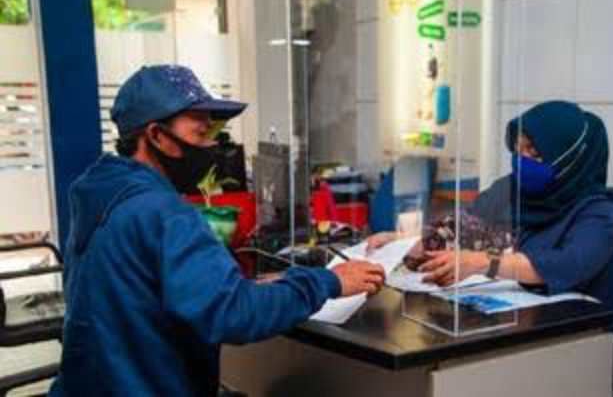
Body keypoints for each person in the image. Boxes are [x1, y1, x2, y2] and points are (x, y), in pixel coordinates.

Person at [49, 65, 385, 397]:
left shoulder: (102, 193)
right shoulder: (165, 213)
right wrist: (329, 282)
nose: (211, 145)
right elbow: (234, 314)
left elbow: (144, 291)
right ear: (155, 135)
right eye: (200, 134)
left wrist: (247, 287)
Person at [367, 100, 613, 303]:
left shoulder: (600, 214)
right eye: (518, 149)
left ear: (568, 161)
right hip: (507, 313)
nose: (522, 160)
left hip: (571, 329)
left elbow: (566, 264)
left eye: (534, 153)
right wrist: (405, 243)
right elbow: (466, 224)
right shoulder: (512, 188)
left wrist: (481, 262)